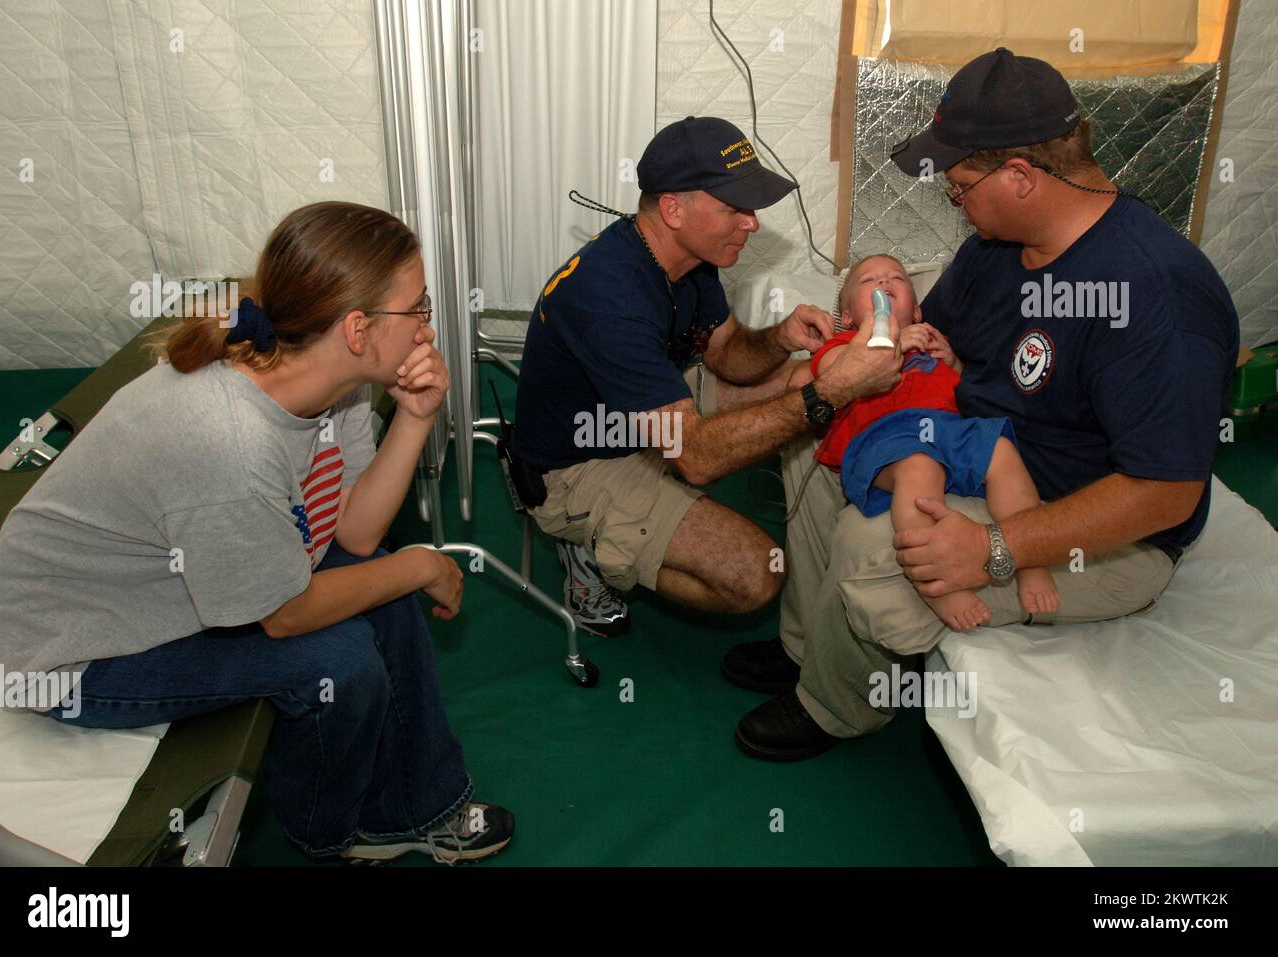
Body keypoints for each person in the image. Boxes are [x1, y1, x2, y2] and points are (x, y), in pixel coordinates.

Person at [725, 48, 1240, 761]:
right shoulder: (997, 248)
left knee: (872, 546)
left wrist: (996, 549)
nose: (953, 200)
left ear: (1023, 176)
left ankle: (838, 705)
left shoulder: (1157, 296)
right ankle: (807, 645)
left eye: (960, 186)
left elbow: (1166, 493)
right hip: (973, 449)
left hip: (1092, 526)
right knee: (815, 445)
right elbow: (930, 346)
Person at [0, 201, 514, 864]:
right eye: (418, 306)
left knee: (375, 581)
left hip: (158, 583)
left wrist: (414, 418)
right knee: (340, 659)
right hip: (72, 650)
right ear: (357, 328)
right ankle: (332, 831)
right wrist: (419, 566)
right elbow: (287, 617)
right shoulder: (228, 442)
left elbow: (352, 529)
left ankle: (416, 804)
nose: (427, 324)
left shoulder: (332, 385)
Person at [511, 116, 901, 637]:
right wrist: (829, 391)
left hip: (639, 418)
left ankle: (619, 530)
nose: (753, 223)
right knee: (758, 574)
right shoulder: (610, 299)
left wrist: (780, 338)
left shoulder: (691, 258)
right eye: (734, 208)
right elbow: (695, 455)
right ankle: (588, 551)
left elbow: (726, 355)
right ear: (673, 209)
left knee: (800, 375)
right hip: (578, 463)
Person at [785, 253, 1059, 631]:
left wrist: (954, 363)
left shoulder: (931, 339)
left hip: (948, 430)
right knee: (919, 469)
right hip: (886, 437)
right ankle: (932, 581)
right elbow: (834, 374)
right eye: (868, 281)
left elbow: (964, 391)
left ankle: (1029, 558)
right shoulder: (842, 345)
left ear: (915, 310)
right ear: (847, 317)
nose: (884, 283)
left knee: (1002, 451)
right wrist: (892, 344)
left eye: (896, 278)